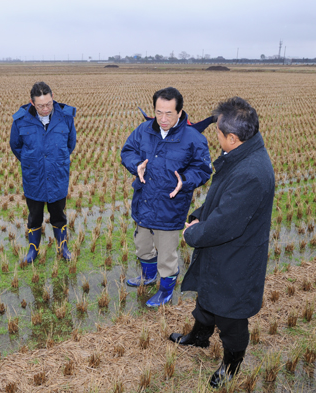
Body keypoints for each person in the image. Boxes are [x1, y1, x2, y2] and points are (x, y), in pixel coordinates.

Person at [169, 97, 275, 388]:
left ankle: (232, 363)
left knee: (231, 315)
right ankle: (200, 337)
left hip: (236, 257)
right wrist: (199, 214)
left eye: (217, 132)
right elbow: (222, 201)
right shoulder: (242, 156)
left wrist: (192, 233)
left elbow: (226, 221)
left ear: (232, 137)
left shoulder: (252, 173)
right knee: (207, 294)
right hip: (223, 252)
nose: (214, 136)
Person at [120, 87, 212, 307]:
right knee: (142, 246)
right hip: (144, 202)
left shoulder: (193, 138)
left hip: (171, 206)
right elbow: (127, 151)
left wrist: (185, 181)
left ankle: (166, 290)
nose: (162, 118)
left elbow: (203, 169)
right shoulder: (143, 130)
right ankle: (148, 276)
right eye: (159, 112)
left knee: (167, 257)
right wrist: (136, 165)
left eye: (169, 113)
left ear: (179, 112)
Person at [9, 82, 76, 263]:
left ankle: (63, 248)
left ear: (52, 97)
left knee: (58, 214)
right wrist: (32, 161)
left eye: (48, 104)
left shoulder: (66, 117)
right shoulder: (21, 120)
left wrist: (55, 160)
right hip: (34, 177)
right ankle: (33, 250)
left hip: (57, 175)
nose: (45, 108)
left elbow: (70, 144)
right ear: (32, 103)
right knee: (35, 215)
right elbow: (15, 146)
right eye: (40, 106)